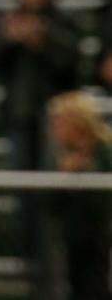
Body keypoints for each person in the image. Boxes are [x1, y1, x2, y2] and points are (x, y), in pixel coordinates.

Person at [0, 0, 81, 275]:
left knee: (52, 192)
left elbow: (71, 66)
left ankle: (54, 260)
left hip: (57, 121)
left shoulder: (63, 20)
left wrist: (42, 39)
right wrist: (12, 40)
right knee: (23, 190)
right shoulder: (11, 18)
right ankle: (28, 258)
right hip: (20, 117)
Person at [45, 91, 112, 300]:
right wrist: (64, 178)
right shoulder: (61, 156)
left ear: (77, 122)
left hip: (104, 239)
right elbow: (50, 205)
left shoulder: (105, 153)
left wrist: (85, 173)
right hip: (74, 239)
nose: (53, 129)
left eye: (59, 122)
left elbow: (104, 203)